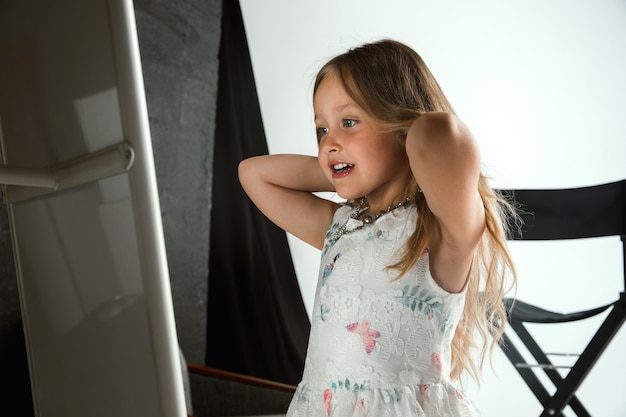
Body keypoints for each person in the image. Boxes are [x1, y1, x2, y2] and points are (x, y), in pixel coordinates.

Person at [238, 39, 517, 416]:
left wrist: (396, 145)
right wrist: (340, 165)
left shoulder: (441, 228)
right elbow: (253, 174)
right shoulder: (340, 226)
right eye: (321, 130)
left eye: (349, 122)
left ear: (401, 124)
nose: (329, 143)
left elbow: (441, 133)